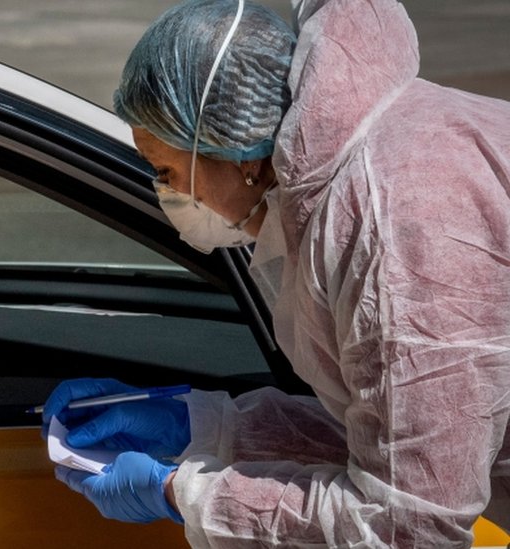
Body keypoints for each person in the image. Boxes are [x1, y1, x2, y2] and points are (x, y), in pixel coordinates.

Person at [42, 0, 510, 546]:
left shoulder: (390, 220)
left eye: (167, 171)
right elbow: (395, 434)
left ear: (237, 154)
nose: (170, 193)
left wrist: (182, 492)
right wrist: (212, 428)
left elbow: (409, 522)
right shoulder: (366, 165)